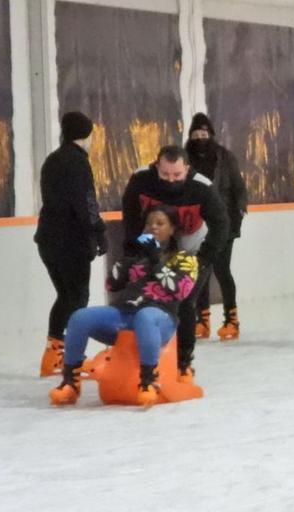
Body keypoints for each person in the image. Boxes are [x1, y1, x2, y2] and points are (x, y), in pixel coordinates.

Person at [50, 205, 199, 407]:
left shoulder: (185, 258)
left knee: (145, 316)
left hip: (160, 318)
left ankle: (148, 381)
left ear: (172, 228)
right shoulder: (139, 256)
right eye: (149, 224)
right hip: (126, 313)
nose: (152, 228)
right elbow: (112, 284)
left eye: (160, 223)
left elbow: (180, 290)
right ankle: (71, 382)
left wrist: (156, 260)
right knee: (79, 317)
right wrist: (128, 258)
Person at [121, 146, 229, 382]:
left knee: (184, 302)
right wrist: (136, 250)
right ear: (156, 167)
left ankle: (183, 362)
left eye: (177, 176)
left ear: (187, 169)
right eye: (165, 175)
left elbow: (222, 225)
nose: (171, 181)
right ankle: (142, 359)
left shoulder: (202, 187)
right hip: (153, 242)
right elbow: (130, 218)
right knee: (144, 298)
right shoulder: (141, 179)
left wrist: (202, 259)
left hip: (191, 244)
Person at [35, 111, 106, 377]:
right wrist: (98, 231)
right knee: (77, 298)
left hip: (47, 240)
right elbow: (85, 202)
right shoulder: (77, 162)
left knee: (66, 296)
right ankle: (71, 359)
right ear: (87, 135)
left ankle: (53, 355)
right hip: (70, 242)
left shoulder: (52, 160)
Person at [185, 113, 248, 342]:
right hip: (195, 224)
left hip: (224, 223)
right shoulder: (185, 158)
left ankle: (231, 320)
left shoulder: (224, 157)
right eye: (196, 134)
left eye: (204, 134)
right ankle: (202, 320)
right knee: (200, 270)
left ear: (211, 134)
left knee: (222, 270)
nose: (200, 138)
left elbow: (239, 188)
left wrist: (238, 214)